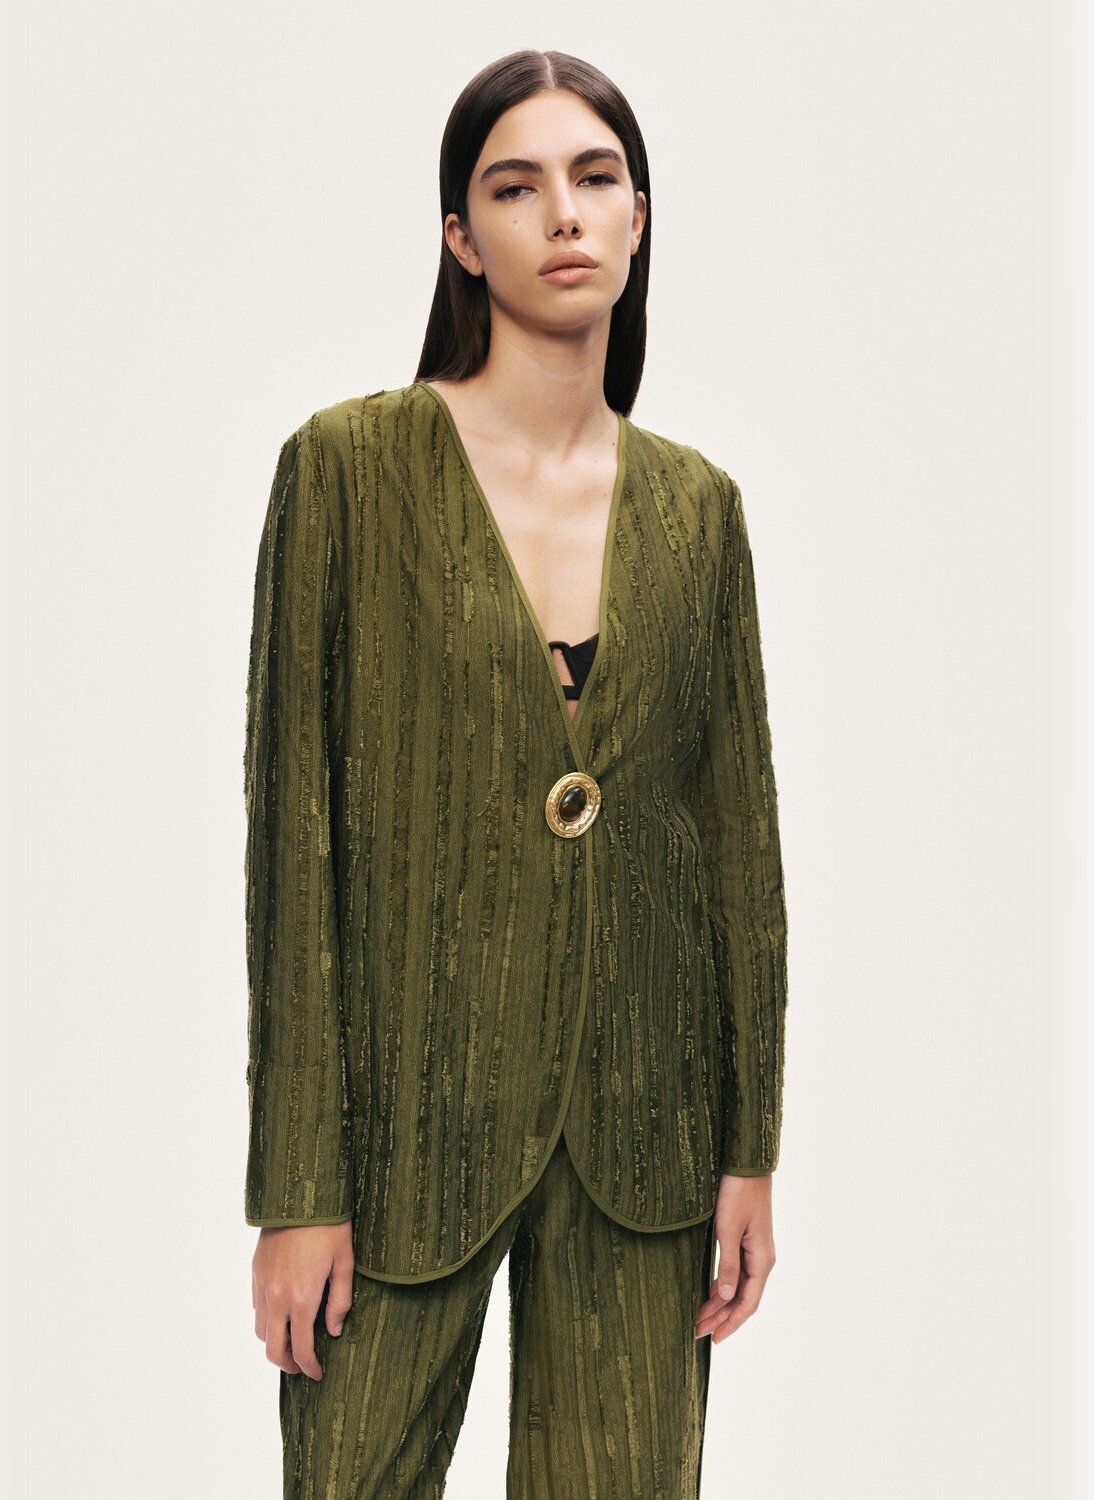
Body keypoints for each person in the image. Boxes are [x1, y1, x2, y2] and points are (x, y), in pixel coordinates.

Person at [243, 47, 789, 1499]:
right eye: (514, 185)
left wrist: (749, 1145)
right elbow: (295, 843)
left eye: (595, 177)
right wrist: (297, 1186)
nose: (562, 212)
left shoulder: (699, 509)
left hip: (645, 1130)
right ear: (460, 239)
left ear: (638, 217)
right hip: (398, 1132)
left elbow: (737, 839)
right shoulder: (347, 469)